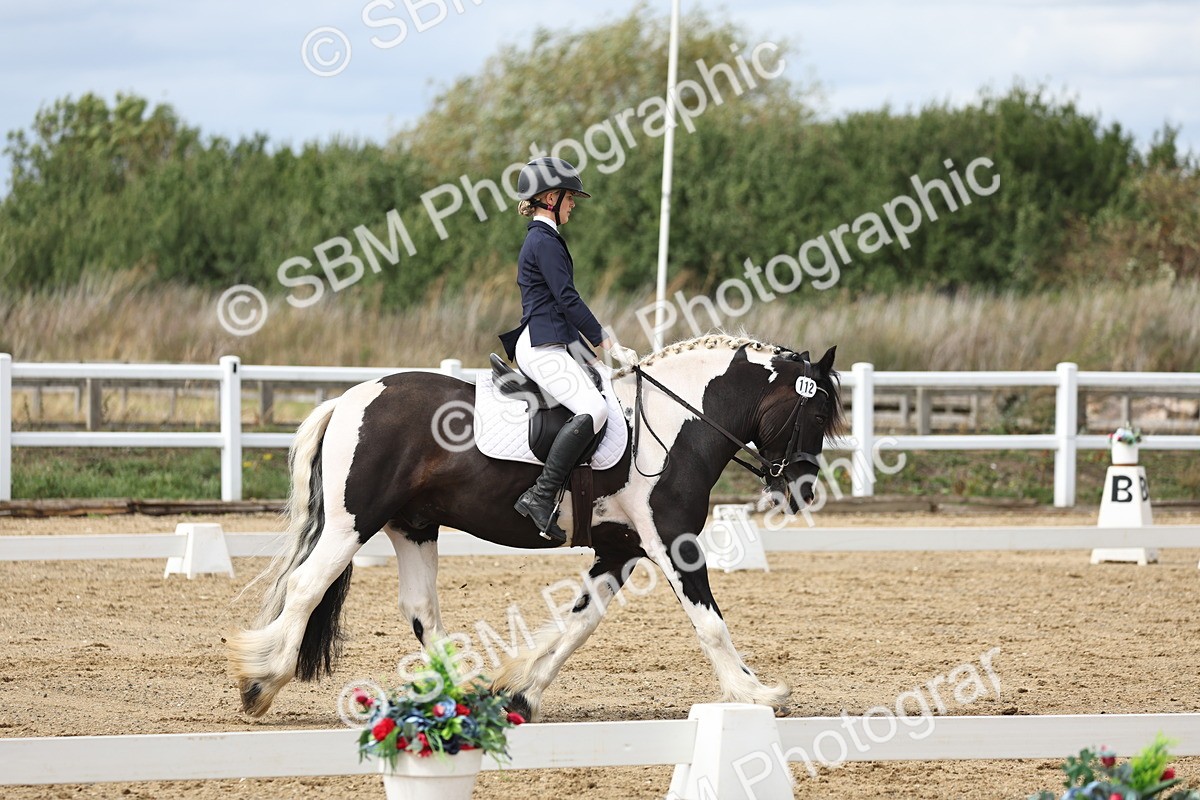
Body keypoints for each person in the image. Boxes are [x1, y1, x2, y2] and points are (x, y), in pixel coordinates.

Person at [498, 157, 637, 544]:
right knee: (593, 410)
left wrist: (589, 357)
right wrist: (607, 343)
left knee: (603, 388)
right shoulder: (542, 240)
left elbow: (557, 310)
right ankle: (541, 496)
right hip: (540, 346)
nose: (574, 203)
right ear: (548, 198)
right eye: (570, 197)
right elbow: (567, 299)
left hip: (552, 340)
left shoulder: (546, 239)